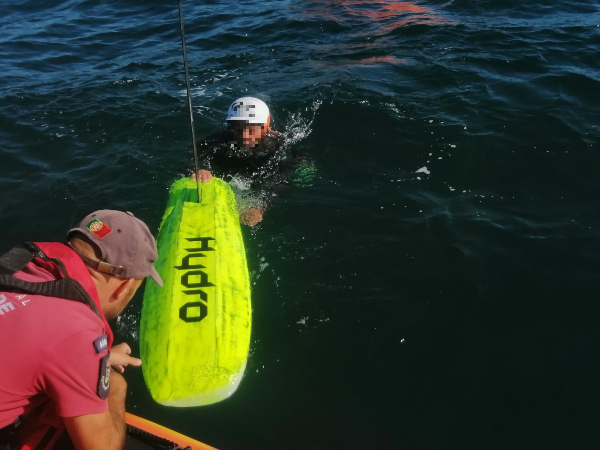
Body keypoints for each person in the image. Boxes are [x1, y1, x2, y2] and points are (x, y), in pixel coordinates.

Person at [0, 210, 162, 450]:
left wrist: (98, 360)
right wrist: (114, 384)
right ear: (125, 287)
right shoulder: (77, 334)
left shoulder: (17, 266)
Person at [193, 97, 302, 226]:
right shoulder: (222, 138)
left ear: (266, 127)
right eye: (238, 128)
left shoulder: (278, 146)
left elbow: (284, 180)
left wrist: (260, 206)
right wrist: (200, 168)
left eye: (251, 129)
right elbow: (197, 153)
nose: (244, 136)